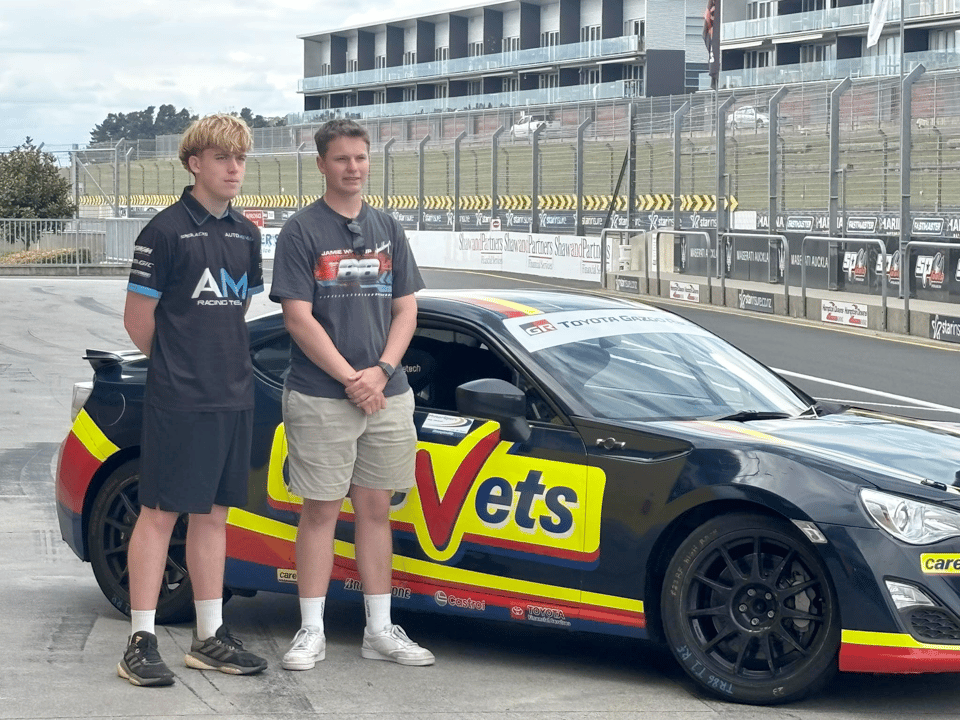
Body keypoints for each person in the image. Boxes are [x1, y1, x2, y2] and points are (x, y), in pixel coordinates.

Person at [269, 118, 432, 670]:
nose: (353, 168)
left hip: (387, 394)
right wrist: (351, 378)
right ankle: (311, 631)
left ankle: (379, 630)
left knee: (375, 511)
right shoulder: (301, 231)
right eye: (341, 158)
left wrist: (381, 372)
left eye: (360, 157)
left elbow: (406, 309)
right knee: (319, 510)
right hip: (321, 395)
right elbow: (298, 318)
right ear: (321, 164)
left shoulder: (388, 227)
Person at [118, 114, 268, 687]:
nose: (234, 168)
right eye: (223, 158)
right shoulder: (163, 231)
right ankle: (140, 640)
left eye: (241, 159)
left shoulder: (247, 233)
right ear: (194, 163)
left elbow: (238, 309)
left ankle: (210, 637)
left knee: (214, 515)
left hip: (234, 395)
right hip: (178, 399)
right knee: (160, 513)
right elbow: (139, 321)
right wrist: (182, 368)